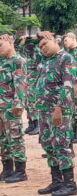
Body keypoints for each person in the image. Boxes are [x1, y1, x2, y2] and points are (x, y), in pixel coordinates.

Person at [35, 31, 77, 196]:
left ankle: (70, 184)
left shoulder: (65, 58)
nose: (43, 48)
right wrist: (38, 36)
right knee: (48, 145)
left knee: (61, 145)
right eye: (40, 47)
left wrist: (59, 109)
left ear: (53, 40)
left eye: (45, 44)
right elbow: (25, 47)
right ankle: (57, 181)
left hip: (58, 110)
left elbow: (67, 86)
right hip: (44, 110)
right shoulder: (45, 60)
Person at [0, 34, 27, 183]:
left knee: (15, 138)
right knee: (3, 140)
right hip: (1, 107)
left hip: (11, 107)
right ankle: (7, 169)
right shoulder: (2, 61)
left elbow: (20, 84)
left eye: (0, 45)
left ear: (10, 42)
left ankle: (20, 171)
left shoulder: (17, 61)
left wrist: (18, 104)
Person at [20, 36, 42, 135]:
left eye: (30, 43)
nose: (28, 45)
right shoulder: (24, 51)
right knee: (28, 104)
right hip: (26, 81)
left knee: (34, 103)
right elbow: (18, 51)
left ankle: (37, 125)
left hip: (34, 81)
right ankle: (31, 123)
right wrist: (22, 41)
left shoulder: (37, 51)